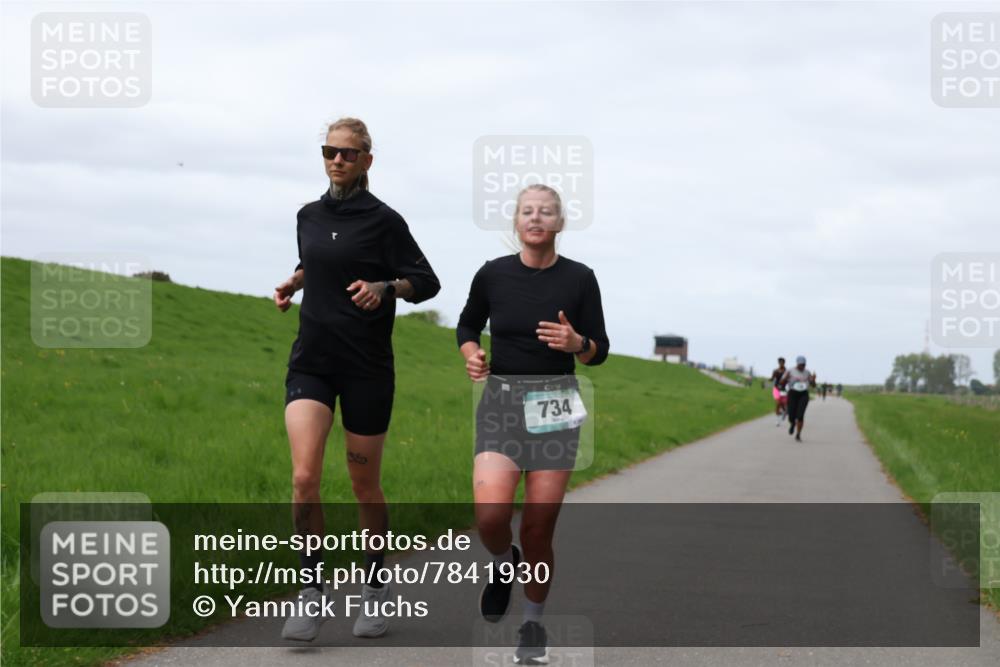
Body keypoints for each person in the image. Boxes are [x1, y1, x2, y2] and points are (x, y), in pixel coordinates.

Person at [273, 117, 440, 641]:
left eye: (348, 153)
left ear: (367, 160)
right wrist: (294, 282)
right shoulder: (307, 215)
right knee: (304, 478)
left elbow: (427, 282)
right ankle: (311, 592)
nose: (337, 160)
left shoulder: (385, 220)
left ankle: (374, 588)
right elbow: (314, 261)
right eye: (329, 151)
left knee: (364, 485)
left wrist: (385, 287)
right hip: (312, 363)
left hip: (367, 369)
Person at [456, 184, 609, 664]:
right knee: (491, 516)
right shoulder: (492, 275)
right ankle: (504, 564)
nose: (536, 218)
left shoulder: (581, 279)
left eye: (546, 212)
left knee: (539, 528)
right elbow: (466, 325)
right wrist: (472, 354)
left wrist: (576, 342)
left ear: (560, 223)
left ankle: (532, 625)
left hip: (556, 407)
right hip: (501, 401)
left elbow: (599, 349)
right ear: (516, 222)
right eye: (527, 211)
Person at [781, 356, 816, 442]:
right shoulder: (790, 371)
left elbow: (813, 385)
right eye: (801, 364)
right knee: (791, 415)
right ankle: (792, 424)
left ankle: (798, 434)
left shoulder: (807, 372)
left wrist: (813, 380)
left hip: (803, 394)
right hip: (793, 393)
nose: (802, 366)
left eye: (804, 365)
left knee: (800, 415)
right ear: (797, 364)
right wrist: (786, 378)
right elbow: (781, 382)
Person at [770, 357, 788, 425]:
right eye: (779, 362)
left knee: (783, 403)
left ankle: (784, 411)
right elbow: (772, 378)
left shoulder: (787, 371)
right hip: (776, 388)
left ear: (784, 363)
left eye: (782, 362)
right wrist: (770, 379)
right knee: (777, 403)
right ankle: (778, 420)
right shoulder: (775, 370)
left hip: (784, 388)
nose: (781, 363)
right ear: (778, 363)